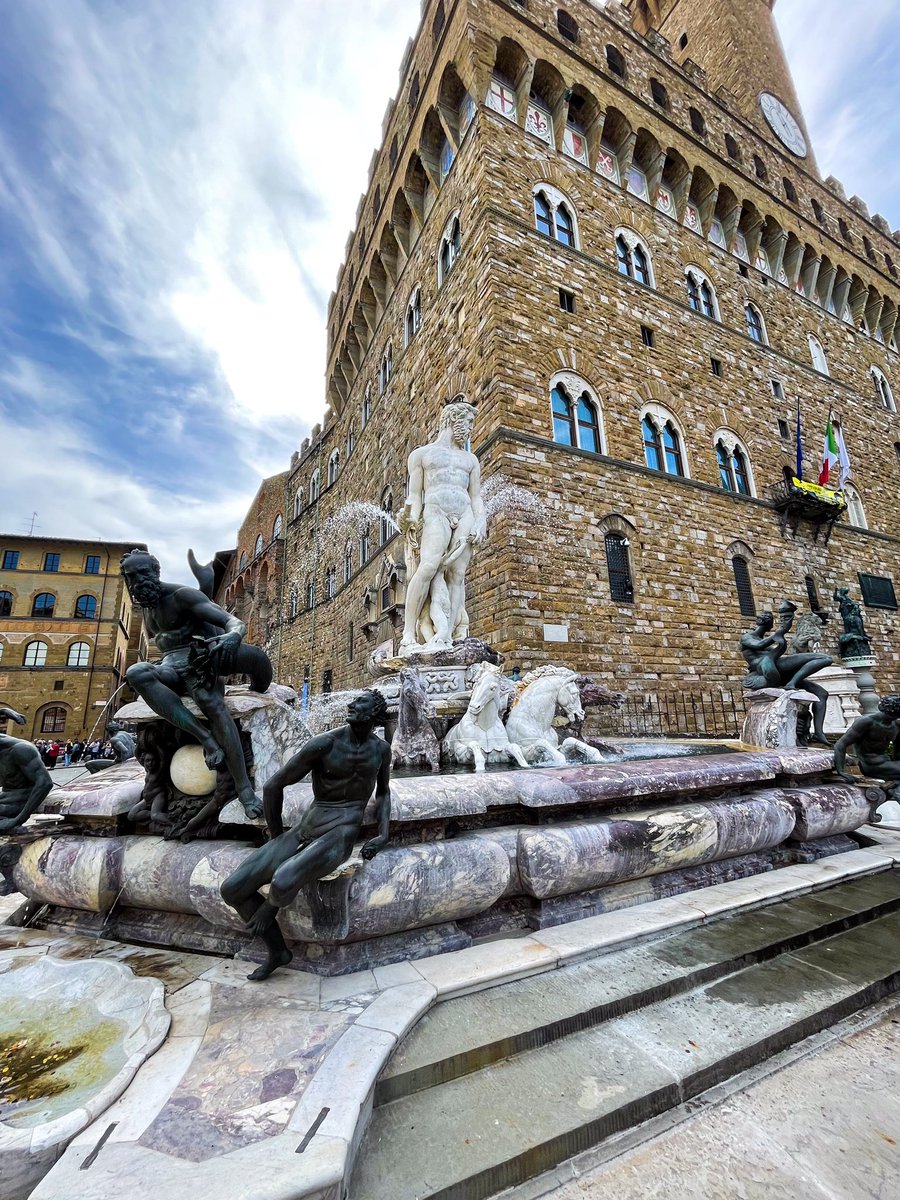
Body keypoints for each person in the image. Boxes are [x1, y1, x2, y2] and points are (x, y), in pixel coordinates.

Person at [220, 689, 392, 981]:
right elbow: (273, 786)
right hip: (307, 827)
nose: (350, 704)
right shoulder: (325, 744)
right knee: (232, 888)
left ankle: (268, 914)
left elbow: (384, 792)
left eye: (359, 703)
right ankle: (277, 951)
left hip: (342, 832)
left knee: (283, 879)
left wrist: (383, 834)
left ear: (373, 714)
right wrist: (276, 835)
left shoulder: (381, 750)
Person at [121, 548, 273, 820]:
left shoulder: (180, 595)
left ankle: (244, 789)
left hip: (200, 660)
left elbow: (231, 621)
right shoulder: (146, 608)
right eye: (131, 576)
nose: (137, 581)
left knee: (210, 703)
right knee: (137, 672)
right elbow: (167, 646)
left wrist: (233, 636)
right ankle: (207, 740)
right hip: (169, 666)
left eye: (143, 573)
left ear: (155, 572)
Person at [399, 399, 486, 652]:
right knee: (427, 568)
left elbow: (476, 497)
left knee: (457, 575)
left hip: (465, 513)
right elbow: (415, 496)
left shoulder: (471, 460)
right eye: (468, 423)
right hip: (435, 512)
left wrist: (480, 521)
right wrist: (411, 518)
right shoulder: (422, 455)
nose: (470, 430)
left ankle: (448, 634)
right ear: (452, 420)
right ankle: (408, 633)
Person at [740, 601, 832, 745]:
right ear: (766, 624)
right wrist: (777, 635)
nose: (771, 625)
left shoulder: (766, 640)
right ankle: (792, 683)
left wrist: (787, 621)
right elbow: (759, 645)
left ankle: (819, 733)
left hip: (777, 667)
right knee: (824, 658)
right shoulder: (747, 637)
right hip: (767, 669)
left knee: (822, 692)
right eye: (770, 622)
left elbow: (778, 645)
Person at [0, 707, 54, 832]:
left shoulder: (21, 750)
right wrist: (5, 711)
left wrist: (18, 820)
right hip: (5, 796)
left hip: (21, 800)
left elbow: (45, 784)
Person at [834, 696, 900, 789]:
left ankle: (894, 785)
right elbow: (840, 744)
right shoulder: (866, 722)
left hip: (887, 763)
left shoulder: (896, 724)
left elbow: (898, 751)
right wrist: (841, 771)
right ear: (894, 711)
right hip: (871, 766)